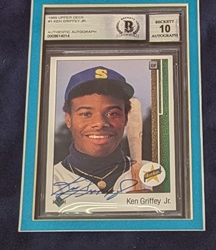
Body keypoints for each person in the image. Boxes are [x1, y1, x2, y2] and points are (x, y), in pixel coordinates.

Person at [50, 65, 163, 204]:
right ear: (68, 119)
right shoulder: (49, 180)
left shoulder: (155, 176)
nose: (100, 123)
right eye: (86, 114)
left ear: (126, 118)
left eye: (113, 113)